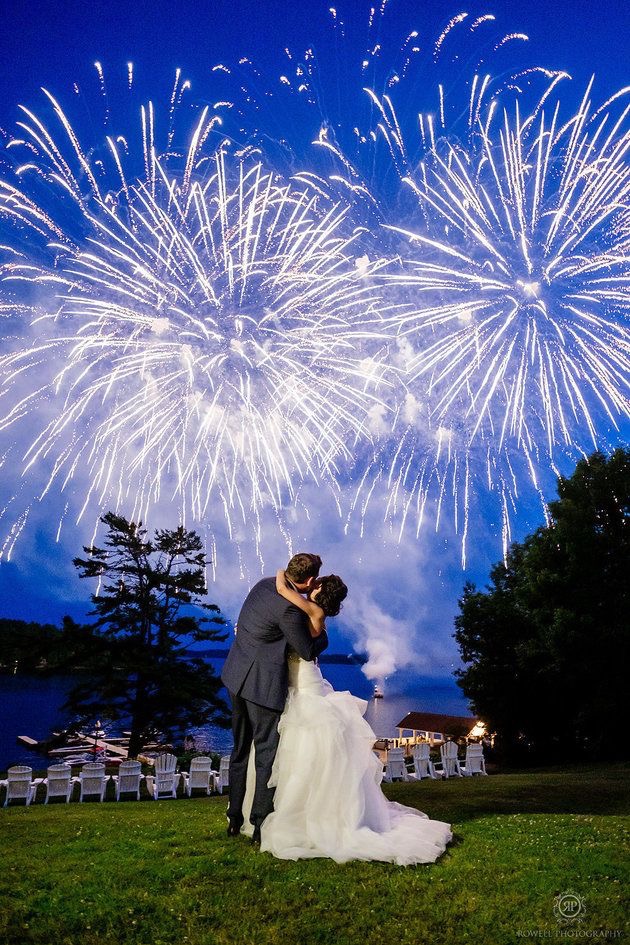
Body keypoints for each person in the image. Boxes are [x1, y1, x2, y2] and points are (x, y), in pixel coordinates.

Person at [240, 570, 452, 865]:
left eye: (316, 584)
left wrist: (282, 575)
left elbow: (284, 592)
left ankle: (300, 818)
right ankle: (301, 813)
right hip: (302, 684)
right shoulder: (314, 613)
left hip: (304, 688)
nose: (311, 586)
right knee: (301, 754)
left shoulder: (310, 610)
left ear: (320, 593)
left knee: (300, 752)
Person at [221, 552, 329, 844]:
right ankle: (259, 825)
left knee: (239, 751)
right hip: (261, 687)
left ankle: (234, 818)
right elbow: (307, 650)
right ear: (309, 581)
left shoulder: (263, 585)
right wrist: (321, 624)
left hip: (235, 677)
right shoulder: (291, 612)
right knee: (266, 755)